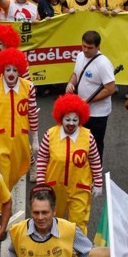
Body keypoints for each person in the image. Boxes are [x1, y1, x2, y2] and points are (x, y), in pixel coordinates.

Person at [35, 95, 102, 232]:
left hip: (79, 187)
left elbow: (95, 160)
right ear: (61, 118)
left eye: (75, 120)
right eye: (67, 119)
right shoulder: (50, 135)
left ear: (80, 119)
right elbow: (42, 158)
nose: (71, 123)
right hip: (54, 188)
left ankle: (78, 246)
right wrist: (41, 182)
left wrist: (98, 182)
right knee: (53, 221)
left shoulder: (88, 137)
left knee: (79, 224)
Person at [0, 48, 39, 191]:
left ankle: (4, 196)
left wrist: (35, 139)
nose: (11, 73)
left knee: (15, 174)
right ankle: (4, 202)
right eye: (7, 70)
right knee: (3, 177)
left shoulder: (28, 87)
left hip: (20, 140)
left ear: (20, 70)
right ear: (2, 70)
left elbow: (32, 113)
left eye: (14, 70)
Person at [65, 31, 116, 160]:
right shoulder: (80, 56)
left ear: (98, 47)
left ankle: (96, 171)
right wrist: (70, 83)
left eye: (90, 48)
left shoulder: (103, 64)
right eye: (84, 46)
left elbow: (110, 89)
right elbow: (76, 74)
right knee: (80, 142)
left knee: (95, 146)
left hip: (97, 114)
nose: (86, 50)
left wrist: (88, 100)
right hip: (81, 110)